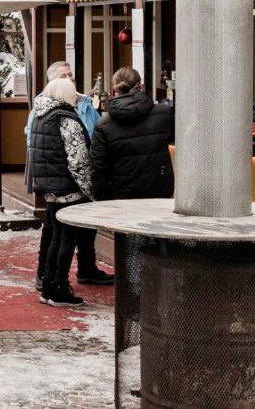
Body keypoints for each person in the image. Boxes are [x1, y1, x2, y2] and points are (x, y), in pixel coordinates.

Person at [27, 61, 112, 289]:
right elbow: (73, 157)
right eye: (64, 77)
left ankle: (73, 274)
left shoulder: (75, 106)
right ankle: (53, 280)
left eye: (71, 76)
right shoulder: (60, 116)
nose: (70, 81)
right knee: (60, 235)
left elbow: (96, 132)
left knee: (69, 233)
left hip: (61, 180)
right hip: (67, 181)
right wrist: (88, 187)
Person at [30, 77, 94, 307]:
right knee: (66, 239)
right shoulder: (67, 120)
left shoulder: (40, 116)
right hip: (69, 189)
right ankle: (58, 287)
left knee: (55, 238)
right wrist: (89, 191)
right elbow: (78, 161)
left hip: (50, 188)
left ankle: (48, 286)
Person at [90, 67, 175, 201]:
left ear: (114, 89)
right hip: (159, 189)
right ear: (139, 85)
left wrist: (101, 199)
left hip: (120, 194)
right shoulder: (164, 113)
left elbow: (98, 167)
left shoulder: (102, 124)